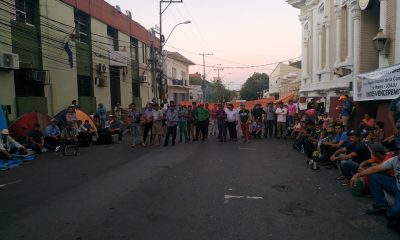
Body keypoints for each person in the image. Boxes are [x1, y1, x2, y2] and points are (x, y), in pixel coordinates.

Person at [350, 146, 400, 228]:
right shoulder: (394, 159)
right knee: (374, 176)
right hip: (396, 184)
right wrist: (357, 175)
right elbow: (376, 168)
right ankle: (381, 205)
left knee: (392, 213)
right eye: (399, 152)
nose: (399, 155)